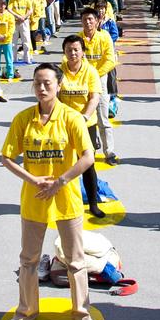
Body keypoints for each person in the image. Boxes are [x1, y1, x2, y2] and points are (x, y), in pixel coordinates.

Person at [1, 63, 96, 320]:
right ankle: (26, 310)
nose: (42, 88)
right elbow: (6, 156)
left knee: (75, 260)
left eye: (47, 83)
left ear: (59, 85)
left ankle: (81, 312)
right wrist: (31, 179)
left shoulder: (71, 118)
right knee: (29, 259)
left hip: (66, 199)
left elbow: (87, 157)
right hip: (34, 199)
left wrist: (61, 181)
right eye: (37, 83)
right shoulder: (23, 119)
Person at [57, 35, 109, 219]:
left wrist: (84, 116)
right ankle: (62, 202)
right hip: (63, 124)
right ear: (64, 52)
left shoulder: (90, 71)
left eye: (76, 49)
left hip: (86, 124)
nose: (72, 53)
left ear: (82, 52)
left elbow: (94, 97)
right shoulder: (59, 71)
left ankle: (93, 204)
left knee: (87, 164)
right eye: (69, 50)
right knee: (62, 165)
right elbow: (53, 96)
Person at [80, 7, 120, 165]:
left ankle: (109, 151)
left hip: (100, 79)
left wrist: (95, 74)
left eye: (91, 19)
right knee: (85, 117)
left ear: (97, 21)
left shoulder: (105, 37)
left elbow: (110, 60)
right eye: (85, 19)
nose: (88, 22)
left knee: (103, 117)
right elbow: (69, 57)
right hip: (82, 81)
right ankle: (87, 150)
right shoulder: (77, 38)